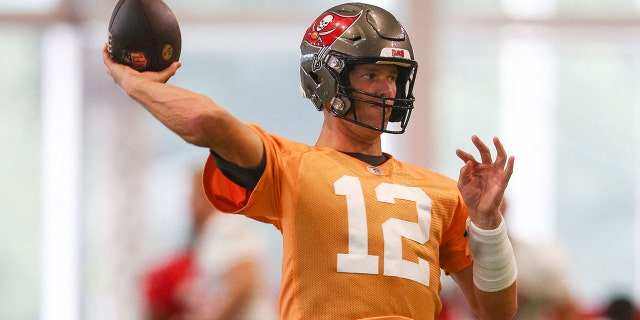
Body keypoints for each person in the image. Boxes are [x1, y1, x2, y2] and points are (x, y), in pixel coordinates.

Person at [104, 3, 518, 319]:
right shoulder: (291, 166)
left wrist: (488, 224)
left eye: (393, 75)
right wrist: (131, 81)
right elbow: (204, 120)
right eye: (371, 74)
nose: (388, 89)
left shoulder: (443, 190)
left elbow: (496, 311)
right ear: (327, 80)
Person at [143, 169, 276, 320]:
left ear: (207, 196)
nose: (189, 205)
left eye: (193, 196)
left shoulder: (227, 227)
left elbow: (244, 285)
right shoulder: (211, 235)